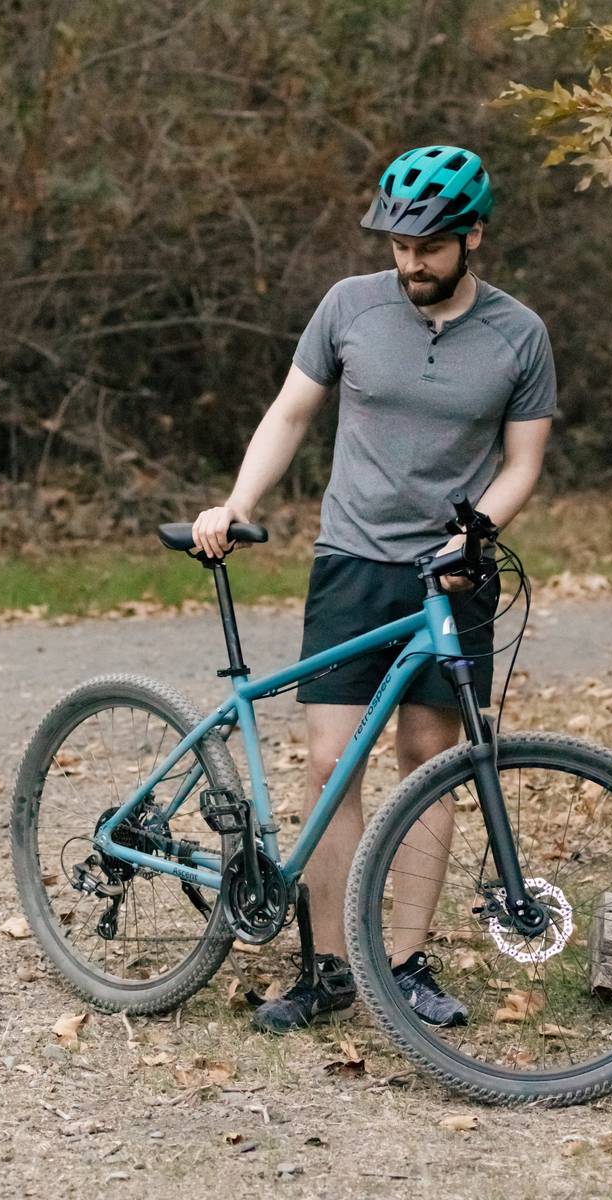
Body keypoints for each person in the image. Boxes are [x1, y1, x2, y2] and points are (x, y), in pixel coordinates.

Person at [191, 144, 556, 1033]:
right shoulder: (348, 307)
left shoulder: (520, 335)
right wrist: (236, 503)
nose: (410, 263)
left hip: (451, 573)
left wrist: (477, 531)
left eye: (429, 247)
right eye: (398, 245)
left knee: (428, 763)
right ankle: (325, 968)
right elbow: (290, 413)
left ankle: (406, 962)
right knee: (329, 762)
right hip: (350, 561)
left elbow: (523, 463)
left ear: (473, 236)